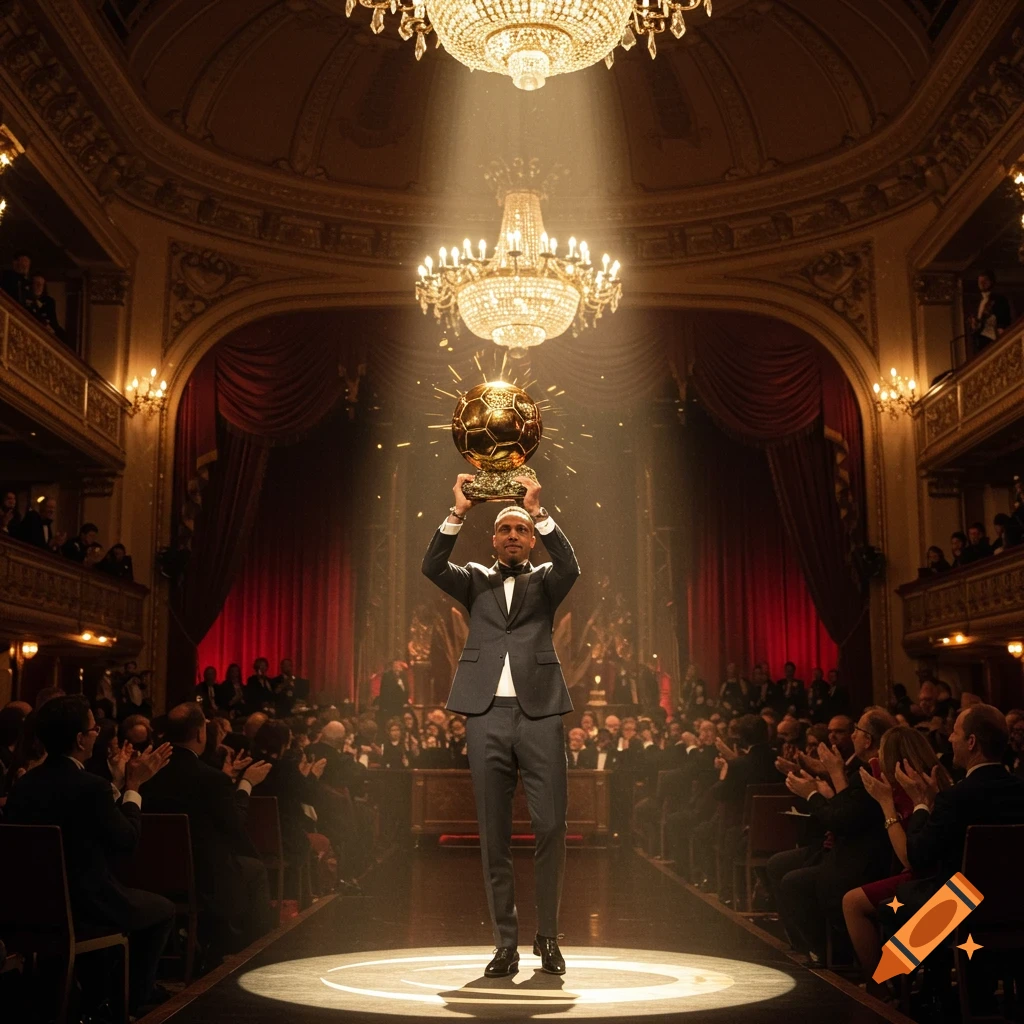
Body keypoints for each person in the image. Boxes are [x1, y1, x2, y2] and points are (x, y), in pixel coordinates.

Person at [422, 473, 579, 977]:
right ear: (492, 540)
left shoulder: (546, 580)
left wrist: (537, 510)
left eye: (521, 529)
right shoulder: (473, 579)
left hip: (540, 714)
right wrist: (458, 511)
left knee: (551, 826)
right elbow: (431, 566)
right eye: (505, 529)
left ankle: (548, 936)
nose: (513, 534)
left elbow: (571, 565)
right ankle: (505, 944)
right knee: (494, 836)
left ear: (531, 539)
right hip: (485, 714)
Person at [4, 696, 175, 1014]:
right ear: (81, 739)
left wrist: (117, 785)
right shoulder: (91, 787)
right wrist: (134, 786)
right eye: (94, 729)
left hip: (27, 907)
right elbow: (126, 842)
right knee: (162, 909)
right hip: (87, 906)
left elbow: (78, 814)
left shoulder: (24, 784)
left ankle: (97, 994)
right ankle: (130, 1000)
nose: (97, 733)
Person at [139, 703, 275, 954]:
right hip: (204, 877)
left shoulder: (147, 774)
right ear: (200, 734)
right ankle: (253, 950)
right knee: (255, 868)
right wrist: (246, 783)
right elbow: (235, 825)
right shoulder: (211, 779)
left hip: (152, 872)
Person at [844, 725, 953, 993]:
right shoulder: (936, 778)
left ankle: (880, 989)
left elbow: (908, 857)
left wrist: (886, 805)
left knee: (852, 902)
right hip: (938, 875)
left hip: (931, 878)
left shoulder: (913, 791)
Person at [968, 269, 1012, 354]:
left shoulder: (1000, 299)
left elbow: (1004, 317)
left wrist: (1001, 331)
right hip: (980, 337)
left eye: (985, 281)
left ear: (991, 282)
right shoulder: (976, 301)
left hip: (993, 335)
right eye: (980, 282)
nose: (982, 284)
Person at [23, 271, 65, 341]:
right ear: (31, 285)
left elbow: (53, 321)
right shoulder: (25, 299)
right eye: (37, 283)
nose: (39, 287)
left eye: (41, 284)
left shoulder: (49, 301)